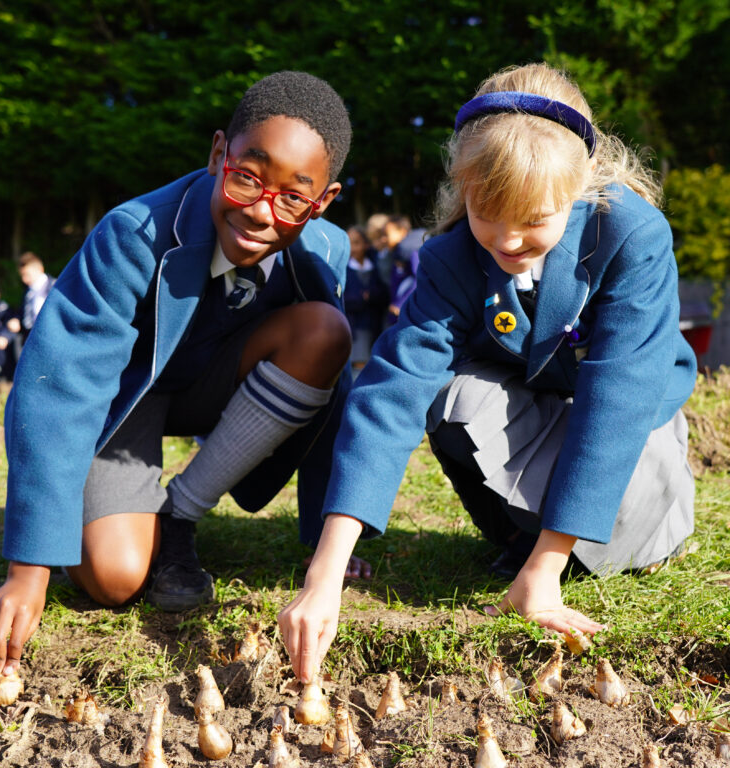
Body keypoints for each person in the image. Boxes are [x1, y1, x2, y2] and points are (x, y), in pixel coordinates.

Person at [279, 63, 697, 683]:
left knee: (613, 546)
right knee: (450, 396)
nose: (506, 240)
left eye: (534, 219)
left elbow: (617, 399)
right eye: (486, 213)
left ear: (578, 188)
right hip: (538, 412)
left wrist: (548, 573)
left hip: (630, 433)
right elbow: (394, 390)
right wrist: (326, 571)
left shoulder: (631, 235)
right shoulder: (451, 256)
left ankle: (578, 549)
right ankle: (519, 545)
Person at [0, 71, 366, 678]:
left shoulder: (326, 251)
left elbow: (334, 391)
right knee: (114, 578)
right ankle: (128, 515)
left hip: (222, 386)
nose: (263, 211)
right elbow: (59, 386)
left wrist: (327, 532)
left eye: (294, 197)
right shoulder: (131, 234)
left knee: (325, 332)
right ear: (218, 155)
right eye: (248, 177)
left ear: (323, 202)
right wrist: (28, 570)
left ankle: (180, 512)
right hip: (127, 401)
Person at [343, 225, 388, 375]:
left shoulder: (375, 266)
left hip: (376, 324)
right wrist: (362, 298)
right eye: (349, 243)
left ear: (366, 244)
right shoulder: (343, 269)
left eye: (356, 243)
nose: (352, 248)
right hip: (355, 327)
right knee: (359, 368)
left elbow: (385, 292)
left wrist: (372, 296)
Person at [383, 215, 425, 324]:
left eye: (387, 234)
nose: (384, 239)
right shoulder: (397, 254)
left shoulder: (412, 250)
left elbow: (419, 278)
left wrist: (400, 303)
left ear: (402, 232)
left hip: (410, 316)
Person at [16, 252, 56, 342]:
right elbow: (23, 316)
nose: (24, 279)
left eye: (27, 274)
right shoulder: (27, 292)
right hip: (31, 340)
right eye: (22, 275)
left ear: (40, 269)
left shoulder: (56, 288)